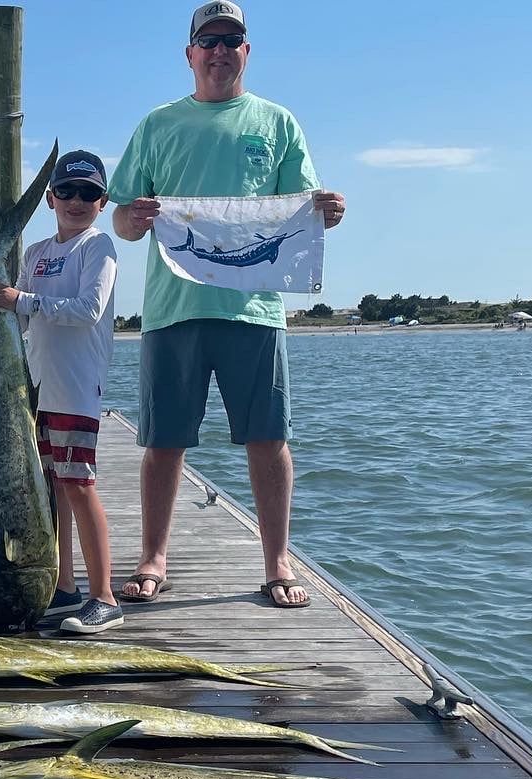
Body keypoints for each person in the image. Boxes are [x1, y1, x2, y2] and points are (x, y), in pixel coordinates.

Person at [106, 1, 346, 609]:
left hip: (255, 312)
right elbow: (123, 219)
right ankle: (153, 557)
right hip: (172, 309)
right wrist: (133, 217)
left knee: (268, 438)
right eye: (207, 41)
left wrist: (326, 212)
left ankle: (277, 560)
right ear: (189, 54)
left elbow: (299, 209)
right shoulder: (157, 125)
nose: (218, 51)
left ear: (246, 51)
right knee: (164, 442)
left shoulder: (278, 122)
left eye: (230, 40)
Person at [0, 150, 122, 633]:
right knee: (52, 489)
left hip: (76, 388)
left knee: (79, 486)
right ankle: (65, 587)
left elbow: (88, 309)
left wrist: (22, 299)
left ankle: (105, 596)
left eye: (89, 193)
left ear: (102, 202)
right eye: (67, 191)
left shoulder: (98, 247)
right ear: (51, 198)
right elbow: (18, 314)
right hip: (35, 391)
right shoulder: (36, 253)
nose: (76, 201)